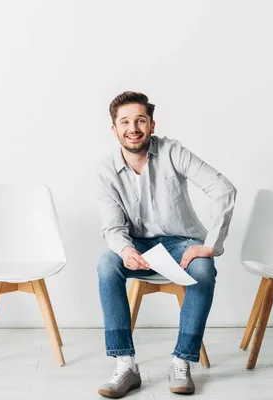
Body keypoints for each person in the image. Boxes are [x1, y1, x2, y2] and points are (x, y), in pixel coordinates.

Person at [96, 91, 237, 397]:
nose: (133, 127)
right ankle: (126, 365)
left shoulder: (173, 151)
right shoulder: (105, 171)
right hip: (137, 246)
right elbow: (112, 226)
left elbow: (223, 189)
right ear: (114, 129)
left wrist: (210, 244)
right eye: (125, 122)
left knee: (203, 266)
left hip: (180, 243)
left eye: (140, 120)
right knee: (107, 263)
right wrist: (125, 249)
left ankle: (182, 361)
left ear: (151, 124)